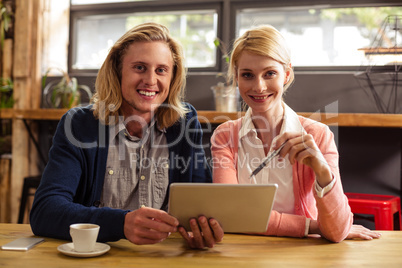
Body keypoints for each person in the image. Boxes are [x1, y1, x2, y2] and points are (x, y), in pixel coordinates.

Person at [30, 22, 223, 249]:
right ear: (117, 71)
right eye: (140, 67)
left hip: (164, 258)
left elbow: (201, 205)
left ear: (173, 78)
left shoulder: (184, 122)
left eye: (161, 70)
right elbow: (45, 211)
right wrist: (120, 223)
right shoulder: (79, 125)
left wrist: (202, 229)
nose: (151, 80)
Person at [210, 25, 380, 242]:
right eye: (247, 75)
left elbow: (336, 232)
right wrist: (313, 226)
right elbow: (232, 216)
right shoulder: (225, 136)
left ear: (287, 74)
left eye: (270, 73)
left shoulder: (318, 135)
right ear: (236, 77)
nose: (259, 86)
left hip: (302, 255)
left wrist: (321, 169)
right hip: (242, 252)